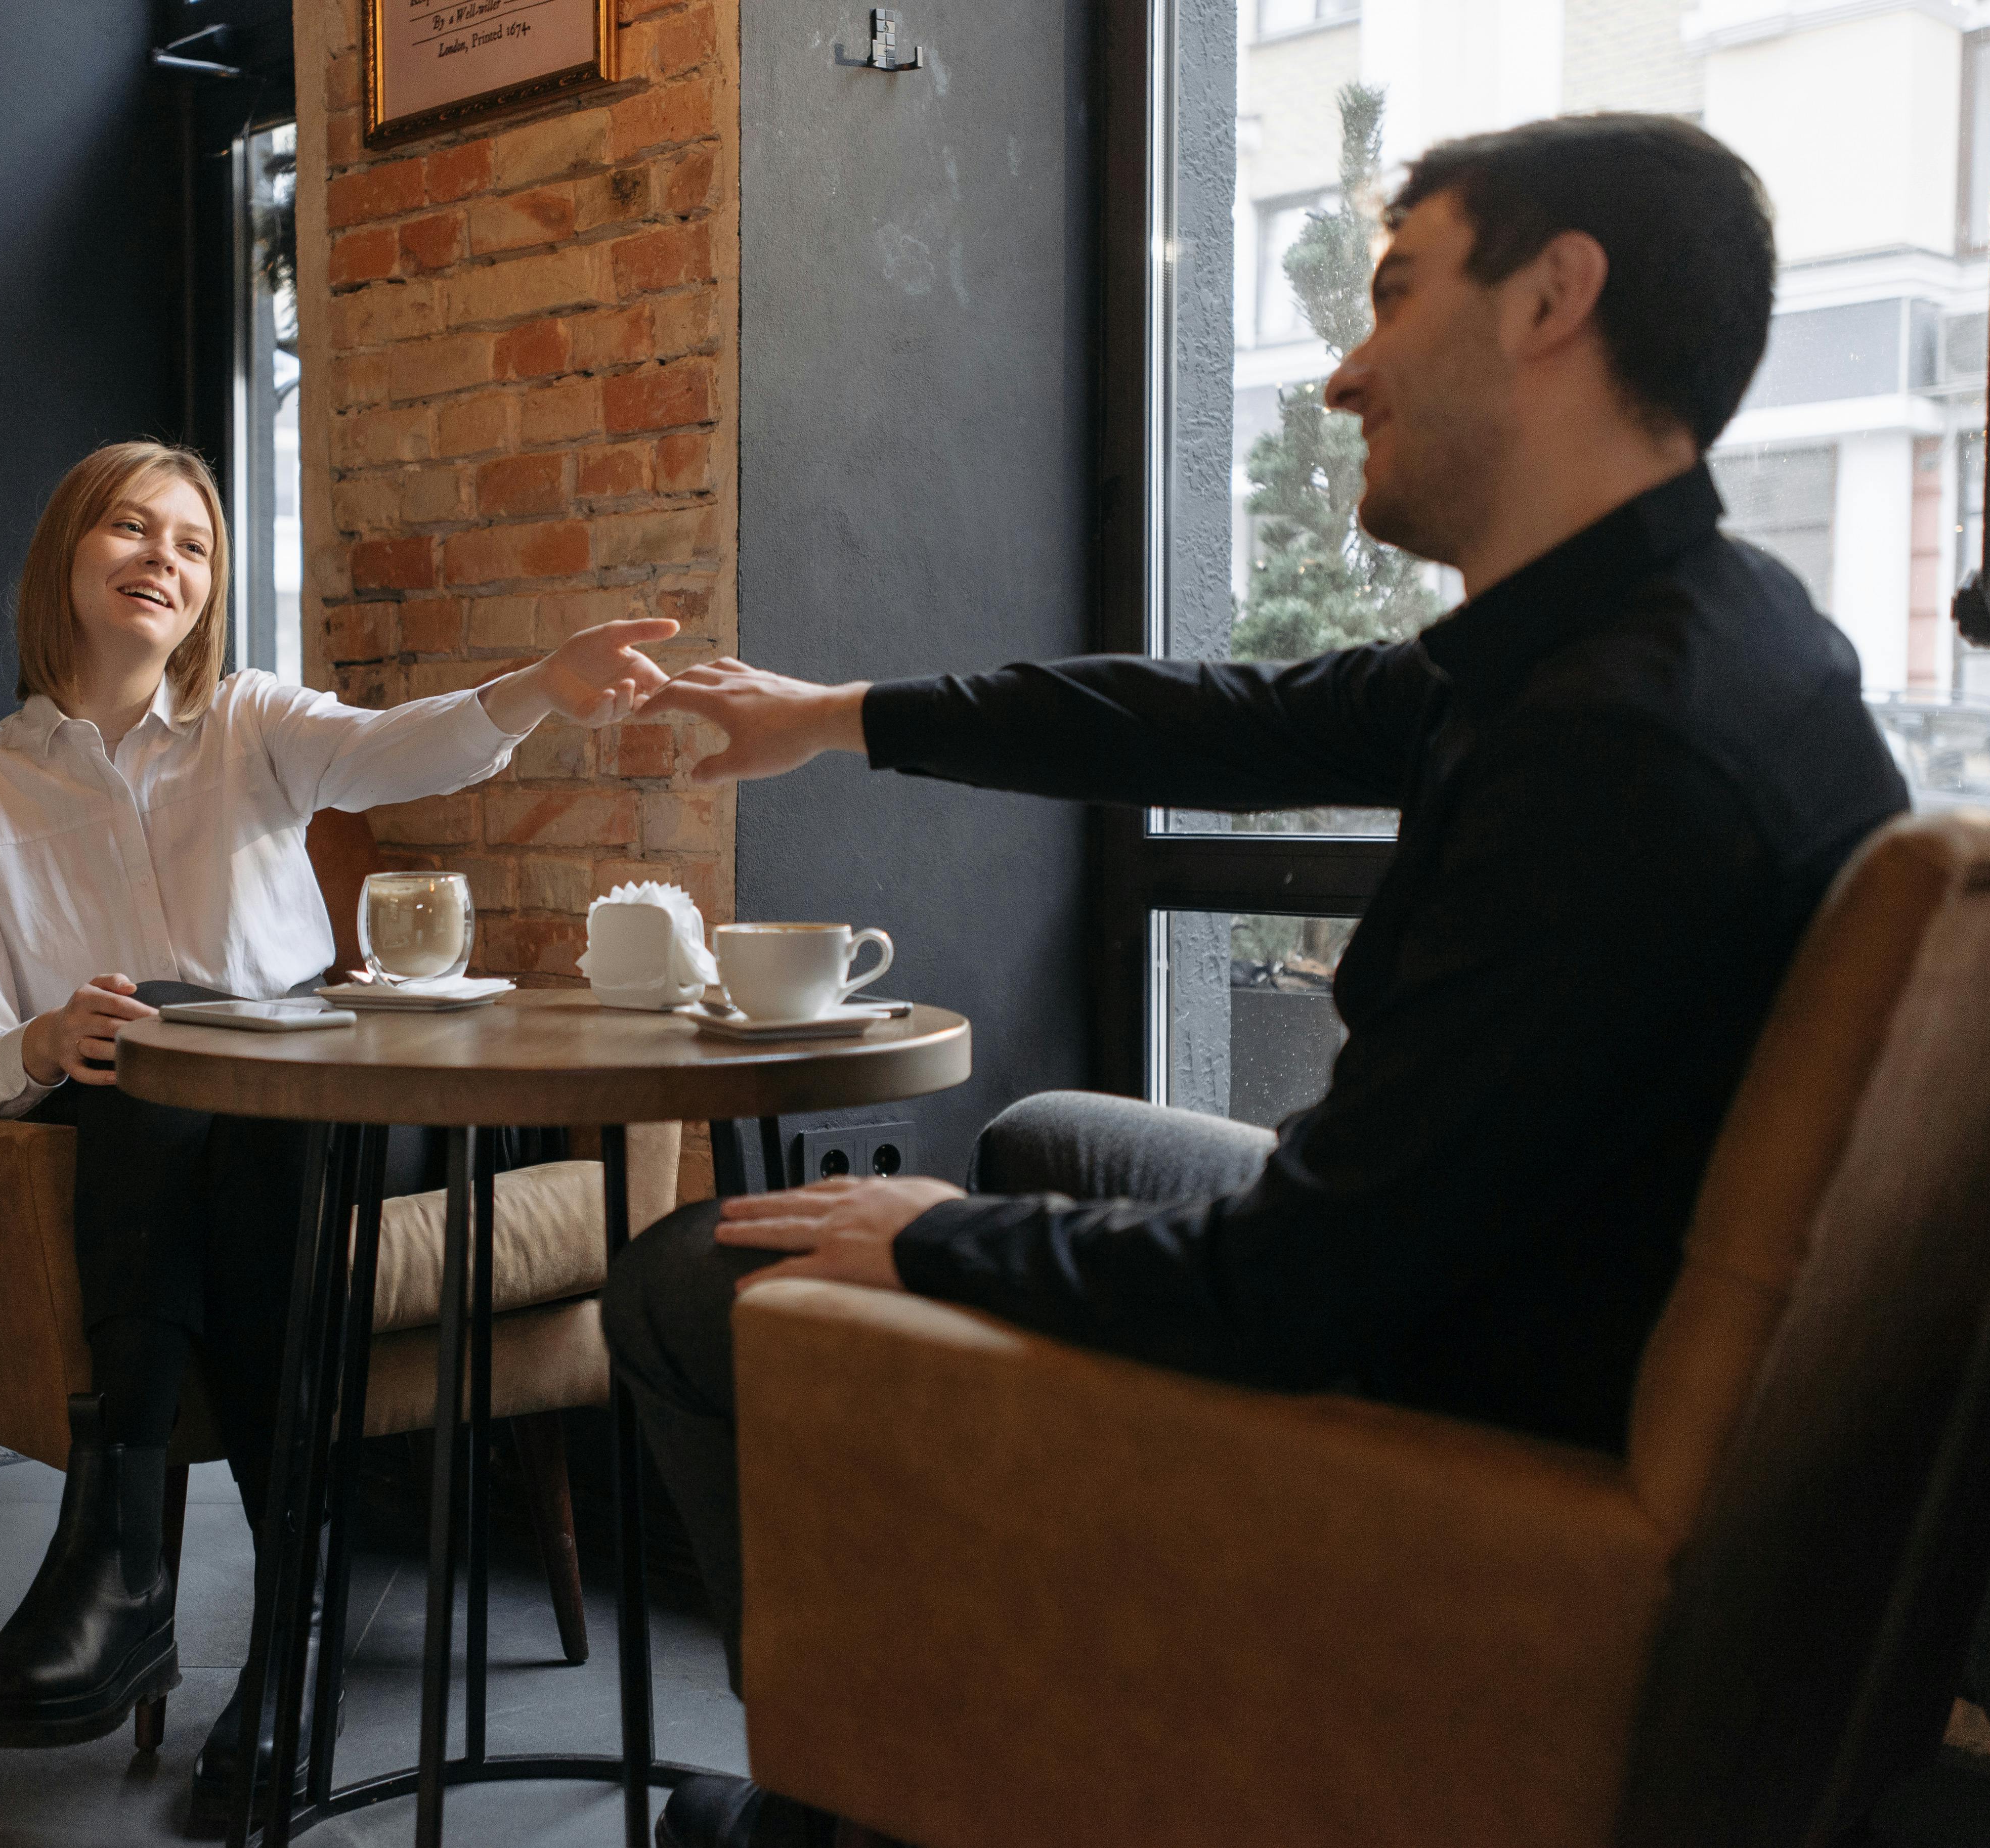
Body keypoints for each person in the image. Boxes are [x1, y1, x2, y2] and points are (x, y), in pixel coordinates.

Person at [605, 114, 1911, 1848]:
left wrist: (927, 1241)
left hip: (1457, 1416)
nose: (1343, 377)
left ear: (1552, 298)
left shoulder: (1616, 751)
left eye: (1391, 294)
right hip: (1528, 1282)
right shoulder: (1686, 631)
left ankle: (870, 1787)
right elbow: (1225, 717)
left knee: (707, 1275)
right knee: (1063, 1133)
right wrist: (835, 718)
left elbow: (1302, 1286)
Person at [0, 438, 672, 1809]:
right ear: (62, 560)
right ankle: (291, 1654)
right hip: (122, 1139)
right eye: (130, 530)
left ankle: (113, 1563)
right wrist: (43, 1036)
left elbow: (386, 754)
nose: (165, 560)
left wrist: (541, 690)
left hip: (329, 1122)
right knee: (158, 1055)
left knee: (211, 1067)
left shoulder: (253, 721)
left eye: (193, 545)